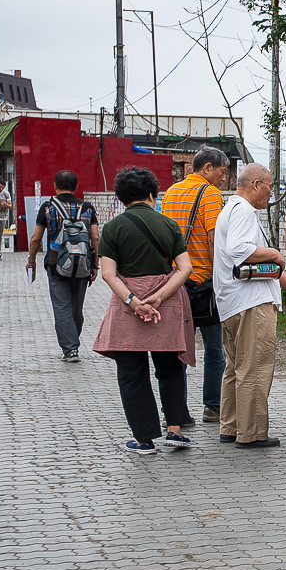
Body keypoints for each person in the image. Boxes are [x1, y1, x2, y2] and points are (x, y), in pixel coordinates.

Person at [93, 166, 195, 453]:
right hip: (166, 306)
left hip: (127, 310)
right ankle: (174, 430)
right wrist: (159, 297)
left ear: (122, 197)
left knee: (132, 375)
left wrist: (132, 301)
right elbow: (185, 268)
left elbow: (108, 274)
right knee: (171, 369)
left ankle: (144, 439)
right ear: (153, 193)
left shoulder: (112, 227)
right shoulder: (168, 224)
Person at [213, 163, 286, 449]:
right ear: (256, 184)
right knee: (255, 368)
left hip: (233, 303)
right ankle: (252, 433)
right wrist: (275, 253)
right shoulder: (243, 210)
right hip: (251, 304)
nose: (271, 193)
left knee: (236, 367)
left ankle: (230, 427)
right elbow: (240, 250)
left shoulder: (230, 209)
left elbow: (258, 267)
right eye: (269, 186)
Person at [161, 146, 230, 426]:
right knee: (215, 348)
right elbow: (214, 239)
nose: (224, 179)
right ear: (207, 168)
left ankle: (177, 412)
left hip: (175, 281)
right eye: (222, 172)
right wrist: (222, 278)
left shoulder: (171, 192)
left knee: (178, 347)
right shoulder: (210, 193)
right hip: (204, 282)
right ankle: (212, 407)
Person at [26, 170, 99, 362]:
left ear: (55, 187)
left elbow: (35, 238)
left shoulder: (48, 207)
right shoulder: (88, 208)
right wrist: (96, 264)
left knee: (62, 307)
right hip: (83, 264)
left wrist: (31, 259)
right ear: (76, 187)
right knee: (76, 308)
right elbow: (95, 237)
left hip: (56, 264)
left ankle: (70, 349)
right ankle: (72, 342)